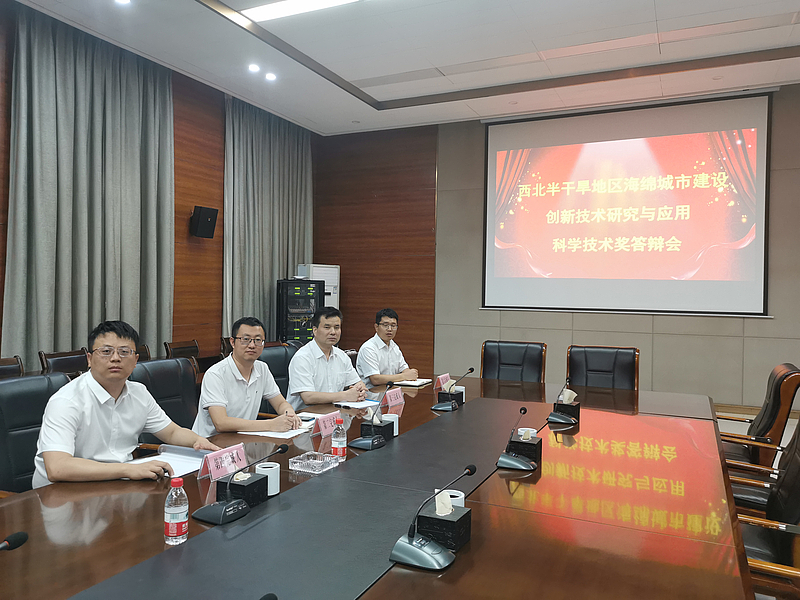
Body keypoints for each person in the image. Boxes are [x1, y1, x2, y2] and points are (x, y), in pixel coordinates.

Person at [32, 320, 219, 489]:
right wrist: (127, 469)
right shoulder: (66, 401)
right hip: (63, 493)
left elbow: (171, 432)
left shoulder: (139, 393)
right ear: (89, 359)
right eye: (106, 352)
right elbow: (58, 467)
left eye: (124, 352)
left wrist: (197, 441)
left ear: (135, 360)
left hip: (118, 484)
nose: (115, 358)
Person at [192, 316, 301, 437]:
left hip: (244, 439)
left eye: (258, 340)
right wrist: (271, 425)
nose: (252, 345)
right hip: (210, 442)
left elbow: (280, 403)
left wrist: (289, 414)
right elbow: (221, 423)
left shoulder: (262, 368)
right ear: (232, 342)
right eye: (245, 339)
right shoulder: (216, 374)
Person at [287, 307, 367, 411]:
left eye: (337, 327)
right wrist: (345, 395)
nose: (333, 332)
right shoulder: (302, 358)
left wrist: (360, 391)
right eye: (327, 327)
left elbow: (358, 383)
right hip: (305, 416)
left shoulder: (342, 356)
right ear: (315, 330)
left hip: (334, 413)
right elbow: (308, 397)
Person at [356, 308, 418, 389]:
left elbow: (404, 368)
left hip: (391, 391)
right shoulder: (368, 348)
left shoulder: (394, 346)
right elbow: (375, 379)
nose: (390, 329)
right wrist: (404, 376)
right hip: (372, 393)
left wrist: (410, 373)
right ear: (376, 327)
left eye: (393, 325)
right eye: (385, 325)